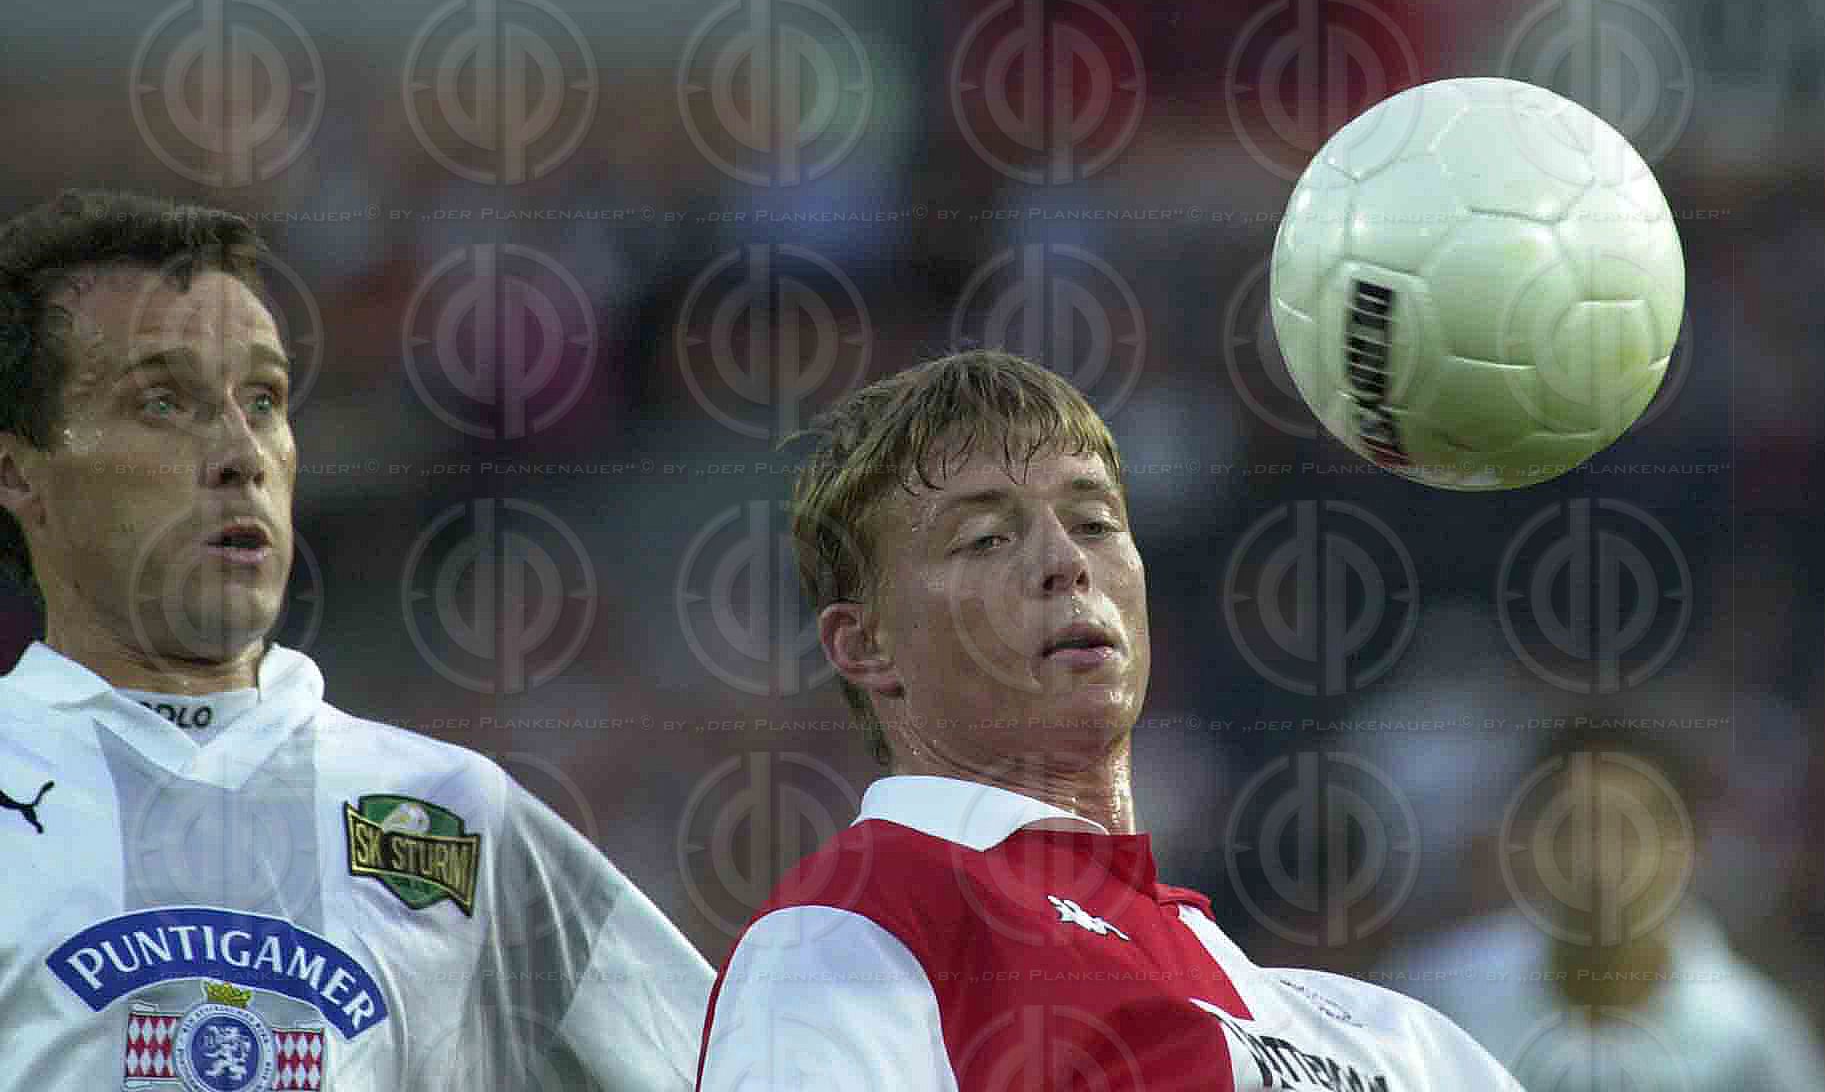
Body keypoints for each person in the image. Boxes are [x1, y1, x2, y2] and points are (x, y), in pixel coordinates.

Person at [0, 189, 712, 1090]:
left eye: (262, 398)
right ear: (19, 473)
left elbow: (733, 1071)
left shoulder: (453, 811)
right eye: (163, 402)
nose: (240, 452)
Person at [695, 348, 1525, 1090]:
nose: (1065, 562)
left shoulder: (1378, 1033)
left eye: (1095, 523)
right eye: (985, 539)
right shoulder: (856, 929)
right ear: (867, 644)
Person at [1376, 723, 1825, 1091]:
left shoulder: (1754, 1040)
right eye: (1574, 827)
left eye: (1630, 831)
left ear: (1686, 845)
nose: (1600, 861)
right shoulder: (1433, 1001)